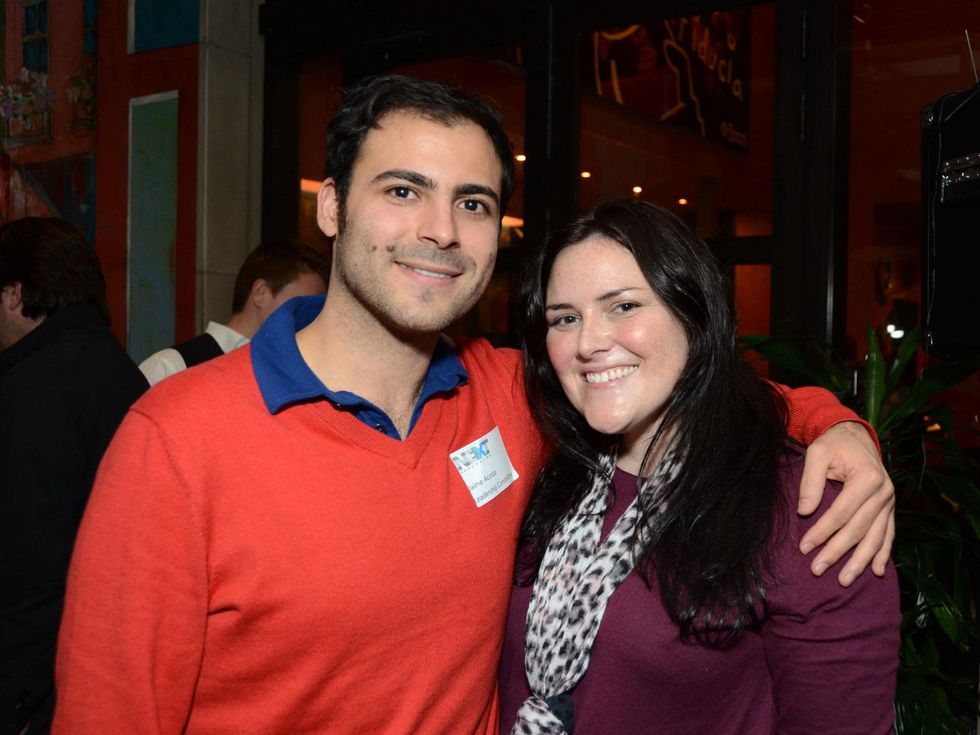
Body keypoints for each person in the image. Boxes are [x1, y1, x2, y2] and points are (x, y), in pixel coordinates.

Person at [54, 75, 894, 733]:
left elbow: (687, 383)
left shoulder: (511, 393)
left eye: (474, 203)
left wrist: (837, 424)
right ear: (332, 206)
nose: (442, 231)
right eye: (402, 190)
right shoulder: (175, 438)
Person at [500, 200, 899, 734]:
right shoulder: (548, 465)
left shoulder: (807, 506)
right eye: (565, 318)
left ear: (693, 315)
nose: (589, 343)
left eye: (622, 306)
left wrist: (840, 426)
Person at [0, 217, 149, 734]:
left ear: (15, 294)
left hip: (38, 687)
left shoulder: (32, 389)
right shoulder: (123, 373)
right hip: (110, 667)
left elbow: (27, 563)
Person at [138, 239, 330, 385]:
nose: (311, 317)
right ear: (260, 293)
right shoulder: (170, 366)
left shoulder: (288, 374)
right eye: (302, 303)